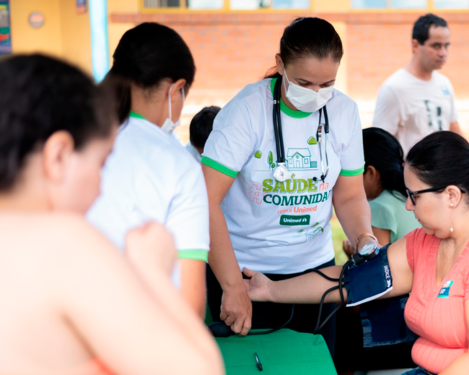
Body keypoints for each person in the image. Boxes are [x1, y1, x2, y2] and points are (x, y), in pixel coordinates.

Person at [244, 132, 469, 375]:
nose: (407, 206)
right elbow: (352, 280)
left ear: (452, 195)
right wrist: (270, 289)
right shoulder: (425, 242)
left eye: (413, 196)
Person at [0, 54, 223, 375]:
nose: (100, 187)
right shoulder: (63, 245)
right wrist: (153, 272)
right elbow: (200, 369)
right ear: (59, 155)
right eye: (101, 163)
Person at [201, 17, 377, 354]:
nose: (315, 95)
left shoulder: (343, 112)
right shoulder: (247, 111)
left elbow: (351, 194)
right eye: (304, 82)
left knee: (312, 362)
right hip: (244, 273)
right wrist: (232, 285)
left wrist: (363, 236)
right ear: (280, 64)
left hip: (316, 276)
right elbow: (204, 201)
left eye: (327, 84)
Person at [87, 23, 210, 316]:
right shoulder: (179, 165)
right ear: (176, 89)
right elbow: (189, 303)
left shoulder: (78, 143)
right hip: (146, 339)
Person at [335, 127, 420, 372]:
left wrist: (355, 257)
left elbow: (378, 273)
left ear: (370, 172)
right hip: (419, 297)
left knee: (338, 316)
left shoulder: (380, 206)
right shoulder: (406, 198)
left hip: (396, 314)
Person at [372, 13, 464, 155]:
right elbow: (379, 145)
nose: (443, 53)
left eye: (446, 46)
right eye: (436, 46)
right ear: (416, 45)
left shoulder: (444, 84)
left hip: (444, 175)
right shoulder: (394, 88)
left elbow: (453, 128)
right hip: (410, 175)